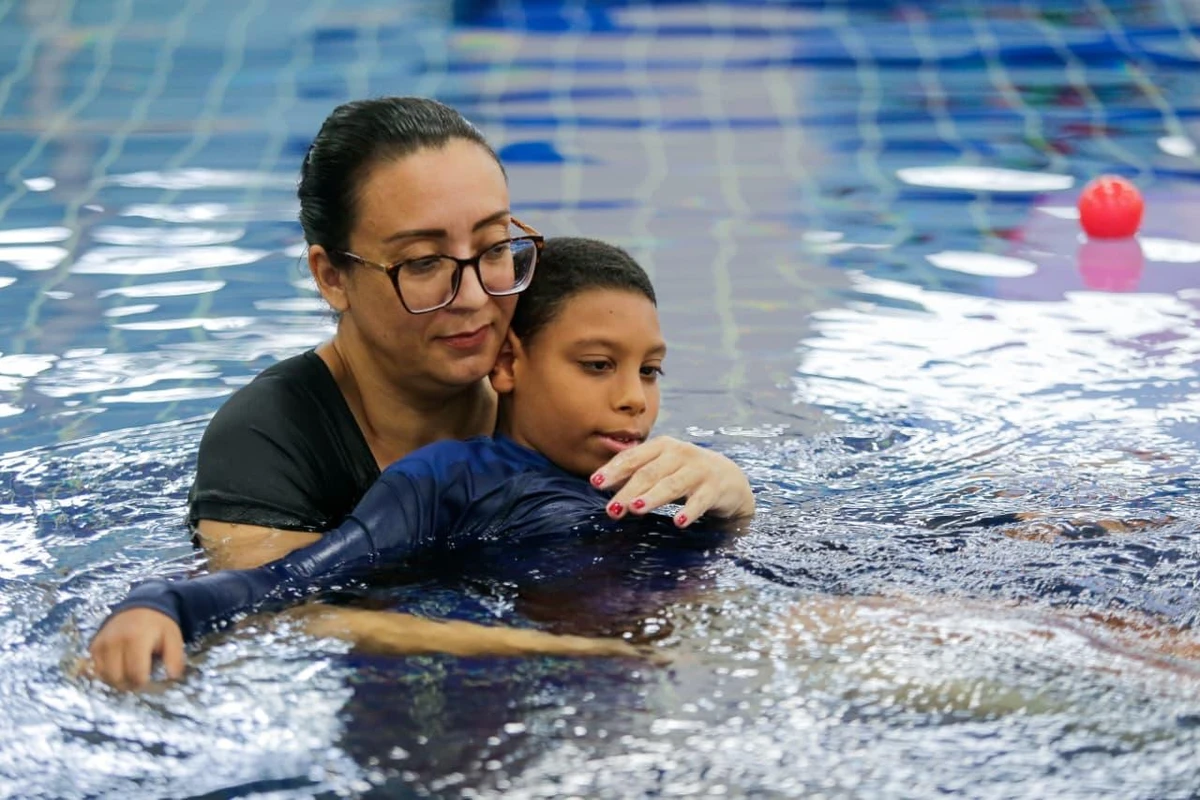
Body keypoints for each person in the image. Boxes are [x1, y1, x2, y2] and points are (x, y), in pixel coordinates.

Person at [89, 237, 743, 690]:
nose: (634, 398)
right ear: (510, 364)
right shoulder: (449, 479)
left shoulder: (649, 477)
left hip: (661, 657)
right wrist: (160, 603)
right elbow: (287, 582)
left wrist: (736, 500)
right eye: (597, 366)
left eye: (650, 371)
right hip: (580, 668)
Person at [190, 96, 753, 574]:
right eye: (424, 261)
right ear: (332, 277)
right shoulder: (269, 437)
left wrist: (732, 500)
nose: (476, 296)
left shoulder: (553, 405)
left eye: (494, 247)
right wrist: (554, 652)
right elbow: (278, 612)